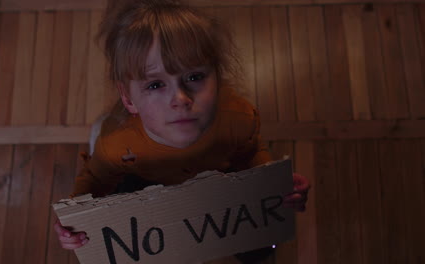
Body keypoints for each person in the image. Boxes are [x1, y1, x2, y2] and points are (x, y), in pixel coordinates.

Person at [54, 0, 310, 262]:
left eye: (194, 77)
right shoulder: (116, 144)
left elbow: (250, 152)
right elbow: (94, 180)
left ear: (218, 78)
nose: (180, 98)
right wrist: (76, 221)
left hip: (219, 181)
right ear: (128, 99)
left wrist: (272, 186)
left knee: (260, 242)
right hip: (142, 182)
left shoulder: (239, 118)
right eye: (155, 85)